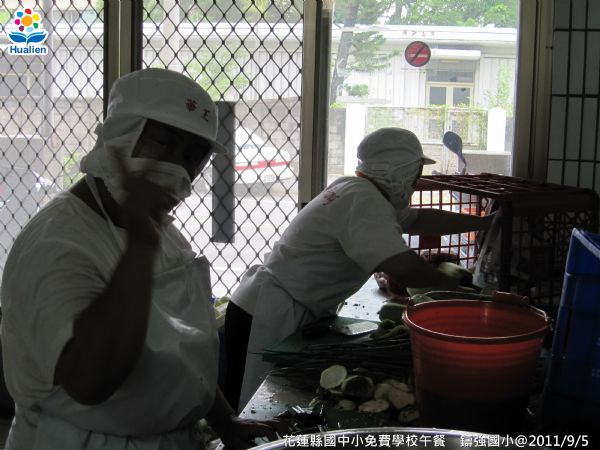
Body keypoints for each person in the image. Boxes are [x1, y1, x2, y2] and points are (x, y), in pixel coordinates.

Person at [0, 68, 284, 450]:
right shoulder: (58, 243)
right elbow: (88, 383)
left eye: (192, 156)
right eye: (163, 144)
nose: (177, 166)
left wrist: (224, 420)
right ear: (118, 137)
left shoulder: (158, 229)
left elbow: (182, 354)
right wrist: (139, 249)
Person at [224, 127, 495, 411]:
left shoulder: (357, 190)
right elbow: (403, 268)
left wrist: (484, 223)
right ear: (399, 171)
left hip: (271, 303)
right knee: (248, 413)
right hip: (268, 312)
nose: (416, 184)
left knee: (259, 408)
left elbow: (420, 219)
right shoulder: (364, 200)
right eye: (415, 175)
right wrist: (466, 294)